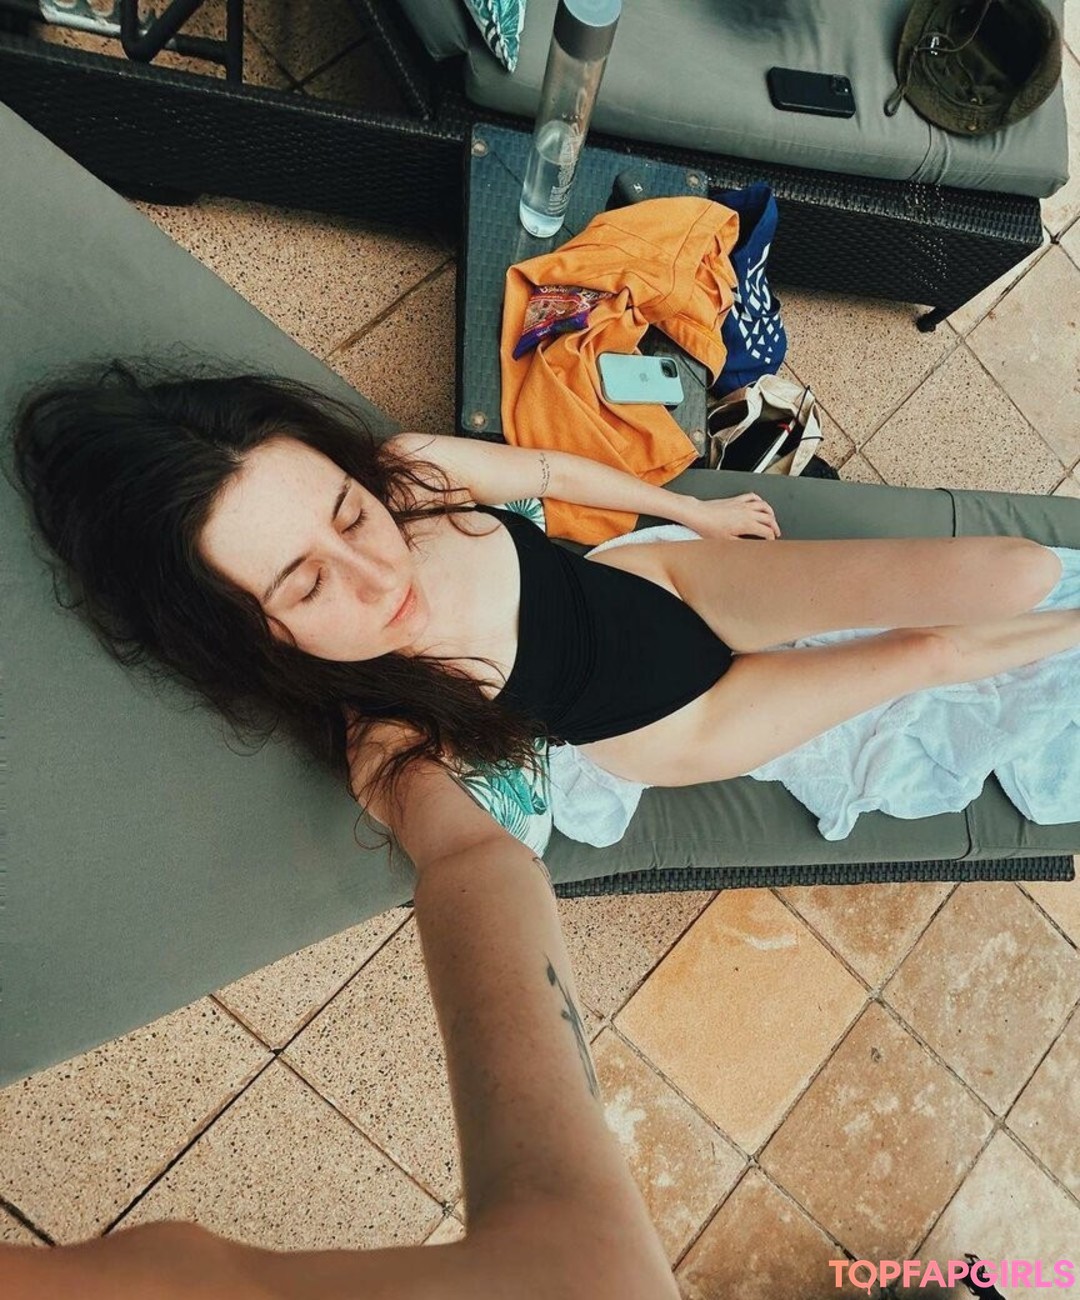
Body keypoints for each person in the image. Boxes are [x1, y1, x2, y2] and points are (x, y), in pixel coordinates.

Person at [3, 358, 1076, 1297]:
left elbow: (552, 474)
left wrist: (692, 512)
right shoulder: (384, 729)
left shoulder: (409, 473)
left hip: (662, 581)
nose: (379, 576)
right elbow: (472, 858)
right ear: (256, 634)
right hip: (683, 720)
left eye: (348, 518)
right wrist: (561, 1210)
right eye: (310, 582)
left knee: (1016, 570)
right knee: (929, 655)